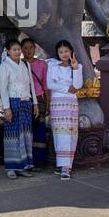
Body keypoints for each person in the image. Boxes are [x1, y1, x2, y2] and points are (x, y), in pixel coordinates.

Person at [44, 39, 83, 180]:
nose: (64, 54)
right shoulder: (52, 66)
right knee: (60, 134)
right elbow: (49, 84)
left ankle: (67, 166)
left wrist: (75, 68)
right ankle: (62, 166)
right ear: (57, 53)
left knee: (71, 134)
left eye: (66, 51)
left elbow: (78, 86)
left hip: (71, 103)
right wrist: (67, 88)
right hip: (57, 103)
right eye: (61, 52)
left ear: (71, 51)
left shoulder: (77, 66)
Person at [0, 38, 36, 179]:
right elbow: (3, 88)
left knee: (25, 135)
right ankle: (11, 168)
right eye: (14, 49)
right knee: (12, 135)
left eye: (18, 49)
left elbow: (30, 85)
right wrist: (6, 108)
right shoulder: (5, 66)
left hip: (26, 103)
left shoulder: (25, 64)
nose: (17, 52)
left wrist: (35, 103)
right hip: (12, 103)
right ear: (8, 51)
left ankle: (24, 166)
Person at [21, 38, 48, 168]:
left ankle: (40, 159)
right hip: (25, 100)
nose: (28, 50)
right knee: (27, 130)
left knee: (39, 129)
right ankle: (28, 159)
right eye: (25, 48)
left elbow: (46, 85)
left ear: (35, 49)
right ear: (21, 50)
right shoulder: (18, 64)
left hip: (39, 98)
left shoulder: (42, 64)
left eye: (31, 47)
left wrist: (48, 103)